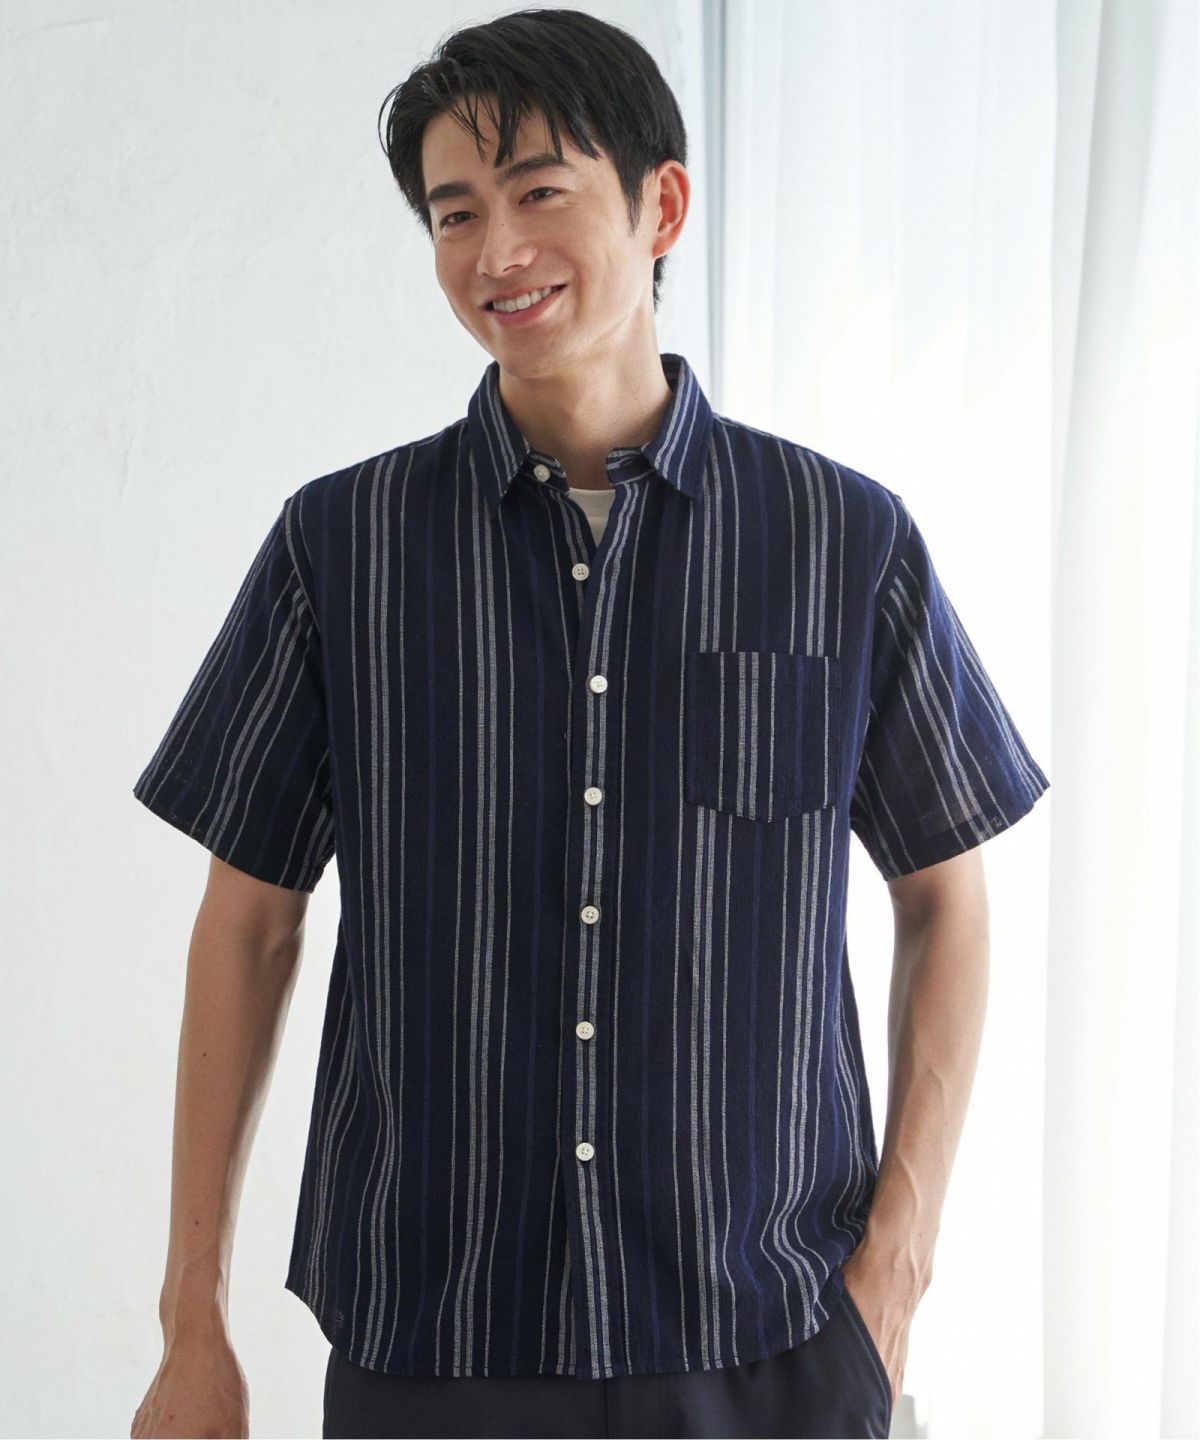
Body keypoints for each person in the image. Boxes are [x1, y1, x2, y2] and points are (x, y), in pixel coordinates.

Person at [129, 8, 1050, 1439]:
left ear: (659, 204)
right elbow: (247, 927)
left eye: (539, 192)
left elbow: (947, 897)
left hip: (768, 1339)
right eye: (455, 213)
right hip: (434, 1338)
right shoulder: (341, 547)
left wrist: (897, 1270)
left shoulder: (840, 539)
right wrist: (193, 1321)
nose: (496, 251)